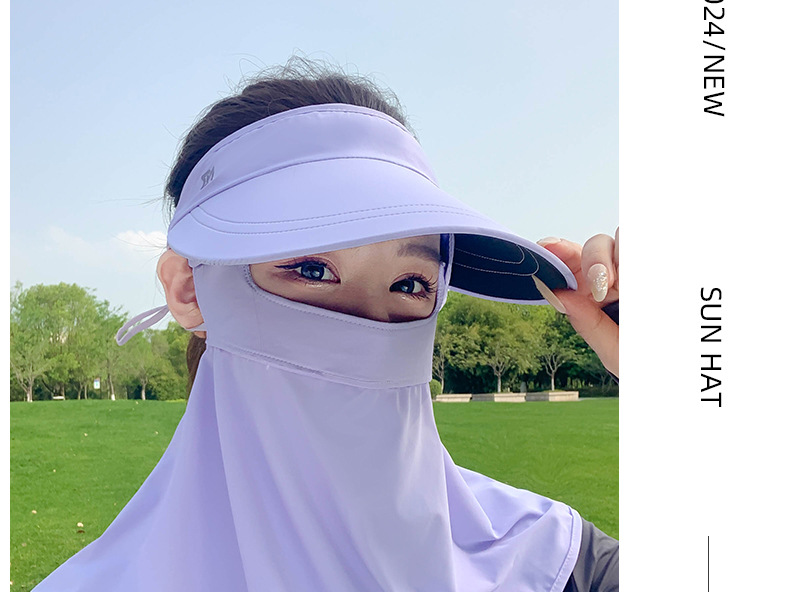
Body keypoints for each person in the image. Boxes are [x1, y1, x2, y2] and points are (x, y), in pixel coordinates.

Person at [33, 58, 619, 591]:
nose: (368, 328)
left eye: (410, 284)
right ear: (190, 288)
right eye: (311, 269)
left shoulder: (557, 563)